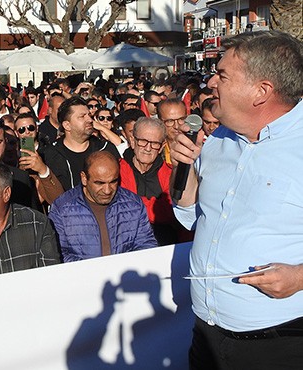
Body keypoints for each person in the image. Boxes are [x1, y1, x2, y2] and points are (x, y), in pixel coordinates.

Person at [169, 31, 303, 369]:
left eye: (223, 74)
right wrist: (185, 169)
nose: (211, 81)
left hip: (281, 344)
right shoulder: (216, 141)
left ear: (261, 91)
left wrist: (301, 276)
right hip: (206, 336)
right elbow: (191, 216)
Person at [49, 151, 157, 262]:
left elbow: (146, 245)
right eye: (99, 183)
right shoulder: (62, 209)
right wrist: (93, 271)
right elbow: (58, 253)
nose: (107, 190)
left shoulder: (134, 204)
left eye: (113, 182)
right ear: (84, 178)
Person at [119, 117, 188, 245]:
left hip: (166, 246)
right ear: (133, 141)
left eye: (155, 143)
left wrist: (134, 204)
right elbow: (121, 209)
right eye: (143, 141)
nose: (148, 148)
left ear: (162, 146)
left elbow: (172, 210)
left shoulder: (170, 174)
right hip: (125, 245)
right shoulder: (117, 170)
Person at [43, 96, 120, 191]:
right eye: (82, 116)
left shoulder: (106, 149)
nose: (90, 120)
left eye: (89, 115)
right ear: (67, 125)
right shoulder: (50, 153)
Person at [156, 98, 186, 165]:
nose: (176, 126)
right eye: (170, 121)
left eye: (181, 119)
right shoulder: (153, 149)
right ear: (160, 122)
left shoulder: (196, 148)